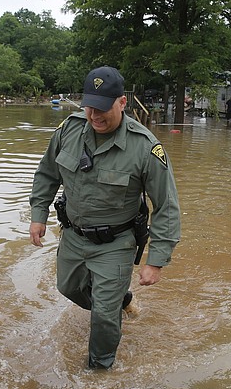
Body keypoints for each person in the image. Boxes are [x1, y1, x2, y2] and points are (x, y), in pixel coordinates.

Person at [28, 65, 181, 369]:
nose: (94, 116)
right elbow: (47, 172)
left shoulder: (145, 147)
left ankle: (99, 373)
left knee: (103, 317)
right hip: (73, 235)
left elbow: (167, 205)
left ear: (122, 103)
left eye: (102, 109)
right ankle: (119, 301)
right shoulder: (68, 130)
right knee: (67, 288)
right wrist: (38, 213)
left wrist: (156, 260)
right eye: (89, 108)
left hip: (116, 242)